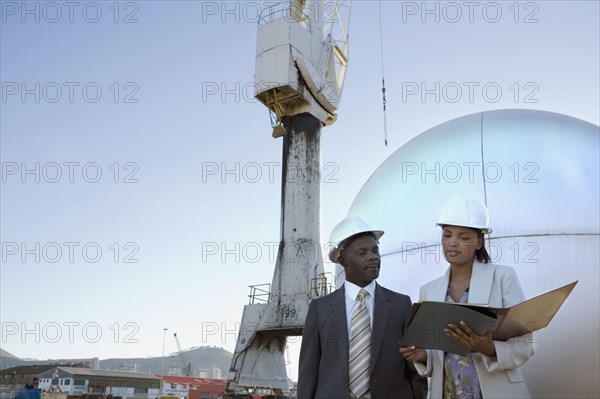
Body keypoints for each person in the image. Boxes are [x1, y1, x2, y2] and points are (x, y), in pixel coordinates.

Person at [400, 195, 534, 398]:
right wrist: (423, 355)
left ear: (479, 241)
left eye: (463, 237)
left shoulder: (503, 277)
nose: (452, 243)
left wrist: (489, 348)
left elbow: (526, 343)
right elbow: (438, 352)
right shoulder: (428, 290)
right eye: (447, 235)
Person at [298, 216, 427, 399]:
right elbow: (308, 372)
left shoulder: (401, 305)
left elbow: (414, 369)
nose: (372, 257)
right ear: (343, 260)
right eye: (362, 252)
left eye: (375, 251)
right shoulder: (320, 309)